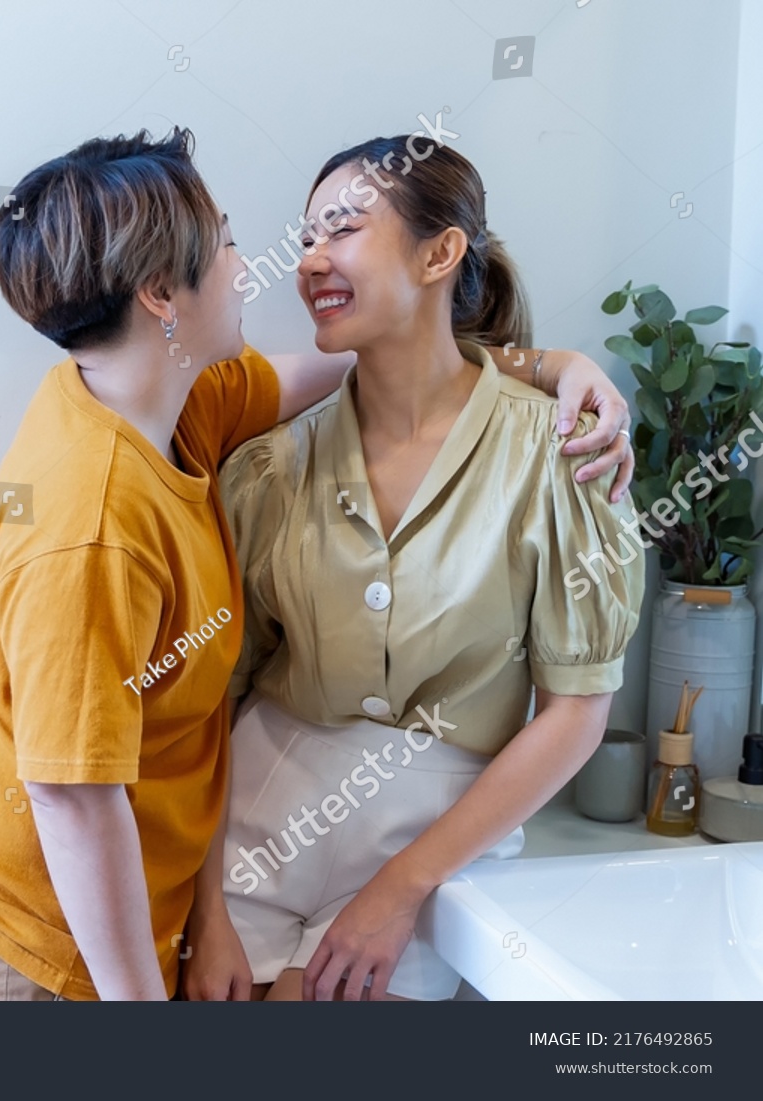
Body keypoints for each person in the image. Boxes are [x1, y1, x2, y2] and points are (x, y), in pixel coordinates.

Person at [0, 127, 635, 1001]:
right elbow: (72, 799)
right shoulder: (96, 517)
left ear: (442, 252)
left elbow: (378, 375)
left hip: (174, 900)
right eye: (227, 244)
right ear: (158, 295)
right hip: (33, 940)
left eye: (339, 230)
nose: (276, 264)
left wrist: (550, 365)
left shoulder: (186, 401)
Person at [182, 135, 646, 1002]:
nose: (311, 258)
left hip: (436, 846)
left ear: (441, 252)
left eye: (343, 229)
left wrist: (398, 890)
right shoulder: (272, 464)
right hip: (253, 829)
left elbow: (577, 711)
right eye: (308, 235)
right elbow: (214, 698)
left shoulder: (558, 454)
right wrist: (204, 909)